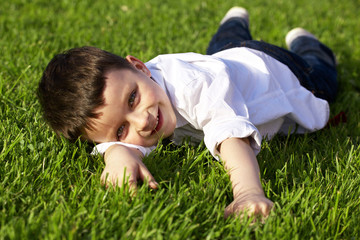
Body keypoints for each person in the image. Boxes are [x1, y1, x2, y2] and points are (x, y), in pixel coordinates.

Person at [37, 7, 338, 219]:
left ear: (140, 67)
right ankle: (234, 21)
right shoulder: (133, 97)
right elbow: (107, 139)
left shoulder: (194, 86)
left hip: (278, 70)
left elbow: (231, 137)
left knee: (323, 75)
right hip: (227, 60)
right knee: (222, 46)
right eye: (120, 130)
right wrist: (116, 153)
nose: (142, 120)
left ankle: (305, 42)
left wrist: (247, 193)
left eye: (133, 98)